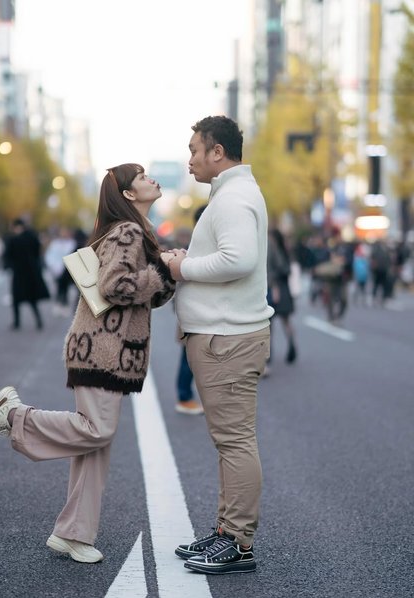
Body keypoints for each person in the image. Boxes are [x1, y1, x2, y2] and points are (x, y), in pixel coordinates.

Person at [0, 163, 175, 564]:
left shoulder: (134, 232)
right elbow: (115, 286)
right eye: (142, 176)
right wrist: (161, 273)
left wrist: (162, 274)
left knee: (94, 446)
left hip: (103, 348)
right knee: (96, 430)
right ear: (130, 194)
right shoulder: (128, 231)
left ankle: (73, 534)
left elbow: (146, 294)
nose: (152, 179)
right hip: (101, 349)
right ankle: (15, 416)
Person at [164, 116, 273, 575]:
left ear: (218, 151)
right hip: (224, 337)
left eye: (194, 149)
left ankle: (238, 543)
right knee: (230, 442)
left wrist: (182, 267)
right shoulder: (232, 194)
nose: (189, 158)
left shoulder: (233, 198)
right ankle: (227, 532)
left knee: (235, 443)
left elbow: (239, 259)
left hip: (229, 340)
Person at [174, 206, 206, 415]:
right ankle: (184, 396)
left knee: (192, 356)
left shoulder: (198, 246)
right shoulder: (194, 248)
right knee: (189, 357)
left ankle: (186, 395)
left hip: (196, 312)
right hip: (194, 313)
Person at [3, 218, 50, 330]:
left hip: (18, 273)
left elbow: (8, 255)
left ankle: (17, 323)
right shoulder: (32, 237)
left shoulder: (13, 240)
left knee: (16, 299)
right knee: (32, 299)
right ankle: (39, 321)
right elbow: (38, 251)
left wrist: (9, 266)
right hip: (31, 272)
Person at [267, 228, 297, 365]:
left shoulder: (273, 250)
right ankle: (291, 344)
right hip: (283, 289)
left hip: (276, 288)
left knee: (270, 322)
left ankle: (269, 355)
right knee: (285, 320)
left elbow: (282, 268)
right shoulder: (283, 250)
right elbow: (287, 269)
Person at [44, 227, 76, 316]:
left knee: (65, 288)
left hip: (67, 270)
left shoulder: (72, 243)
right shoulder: (55, 244)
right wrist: (54, 267)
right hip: (56, 269)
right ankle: (58, 303)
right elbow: (49, 256)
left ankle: (64, 304)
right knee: (58, 287)